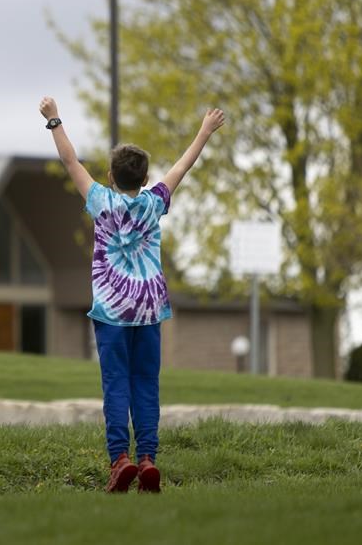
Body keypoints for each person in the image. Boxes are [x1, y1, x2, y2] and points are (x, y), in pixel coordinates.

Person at [38, 97, 225, 493]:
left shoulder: (101, 202)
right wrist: (204, 132)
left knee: (116, 384)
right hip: (148, 310)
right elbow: (182, 166)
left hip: (110, 312)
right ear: (144, 179)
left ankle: (120, 459)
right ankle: (148, 459)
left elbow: (71, 163)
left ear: (110, 175)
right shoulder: (153, 203)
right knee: (146, 384)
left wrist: (54, 119)